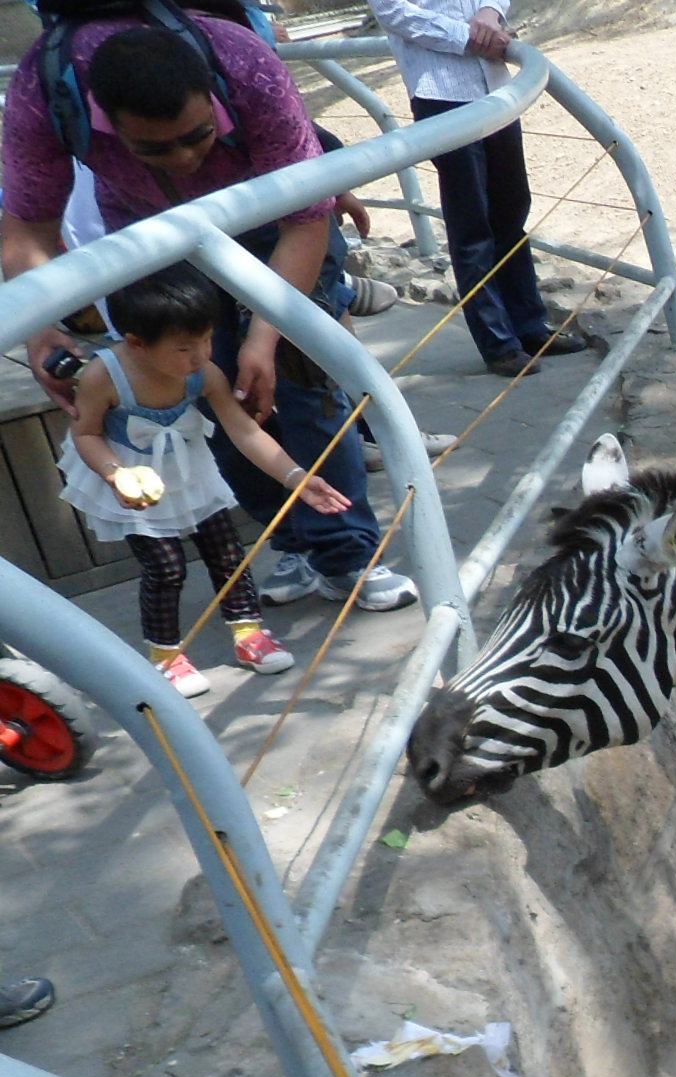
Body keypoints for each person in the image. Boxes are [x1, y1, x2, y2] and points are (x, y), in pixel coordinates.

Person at [0, 17, 418, 612]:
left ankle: (348, 555)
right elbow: (29, 224)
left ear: (213, 96)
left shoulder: (245, 65)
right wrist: (40, 329)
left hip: (273, 222)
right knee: (204, 399)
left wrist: (267, 336)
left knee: (307, 389)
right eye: (155, 147)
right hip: (157, 239)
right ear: (105, 123)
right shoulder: (46, 91)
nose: (186, 157)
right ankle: (290, 540)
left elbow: (305, 216)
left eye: (198, 135)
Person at [60, 262, 344, 695]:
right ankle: (166, 654)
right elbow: (86, 432)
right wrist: (116, 474)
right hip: (129, 474)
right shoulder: (105, 376)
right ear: (136, 343)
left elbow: (245, 431)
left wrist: (297, 478)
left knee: (228, 553)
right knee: (166, 568)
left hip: (188, 468)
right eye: (184, 348)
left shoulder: (203, 374)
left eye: (207, 339)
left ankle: (248, 633)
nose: (201, 355)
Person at [365, 0, 581, 379]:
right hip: (441, 90)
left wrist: (490, 14)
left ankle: (530, 326)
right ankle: (498, 343)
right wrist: (466, 36)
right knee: (472, 223)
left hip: (494, 86)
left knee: (511, 211)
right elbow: (394, 12)